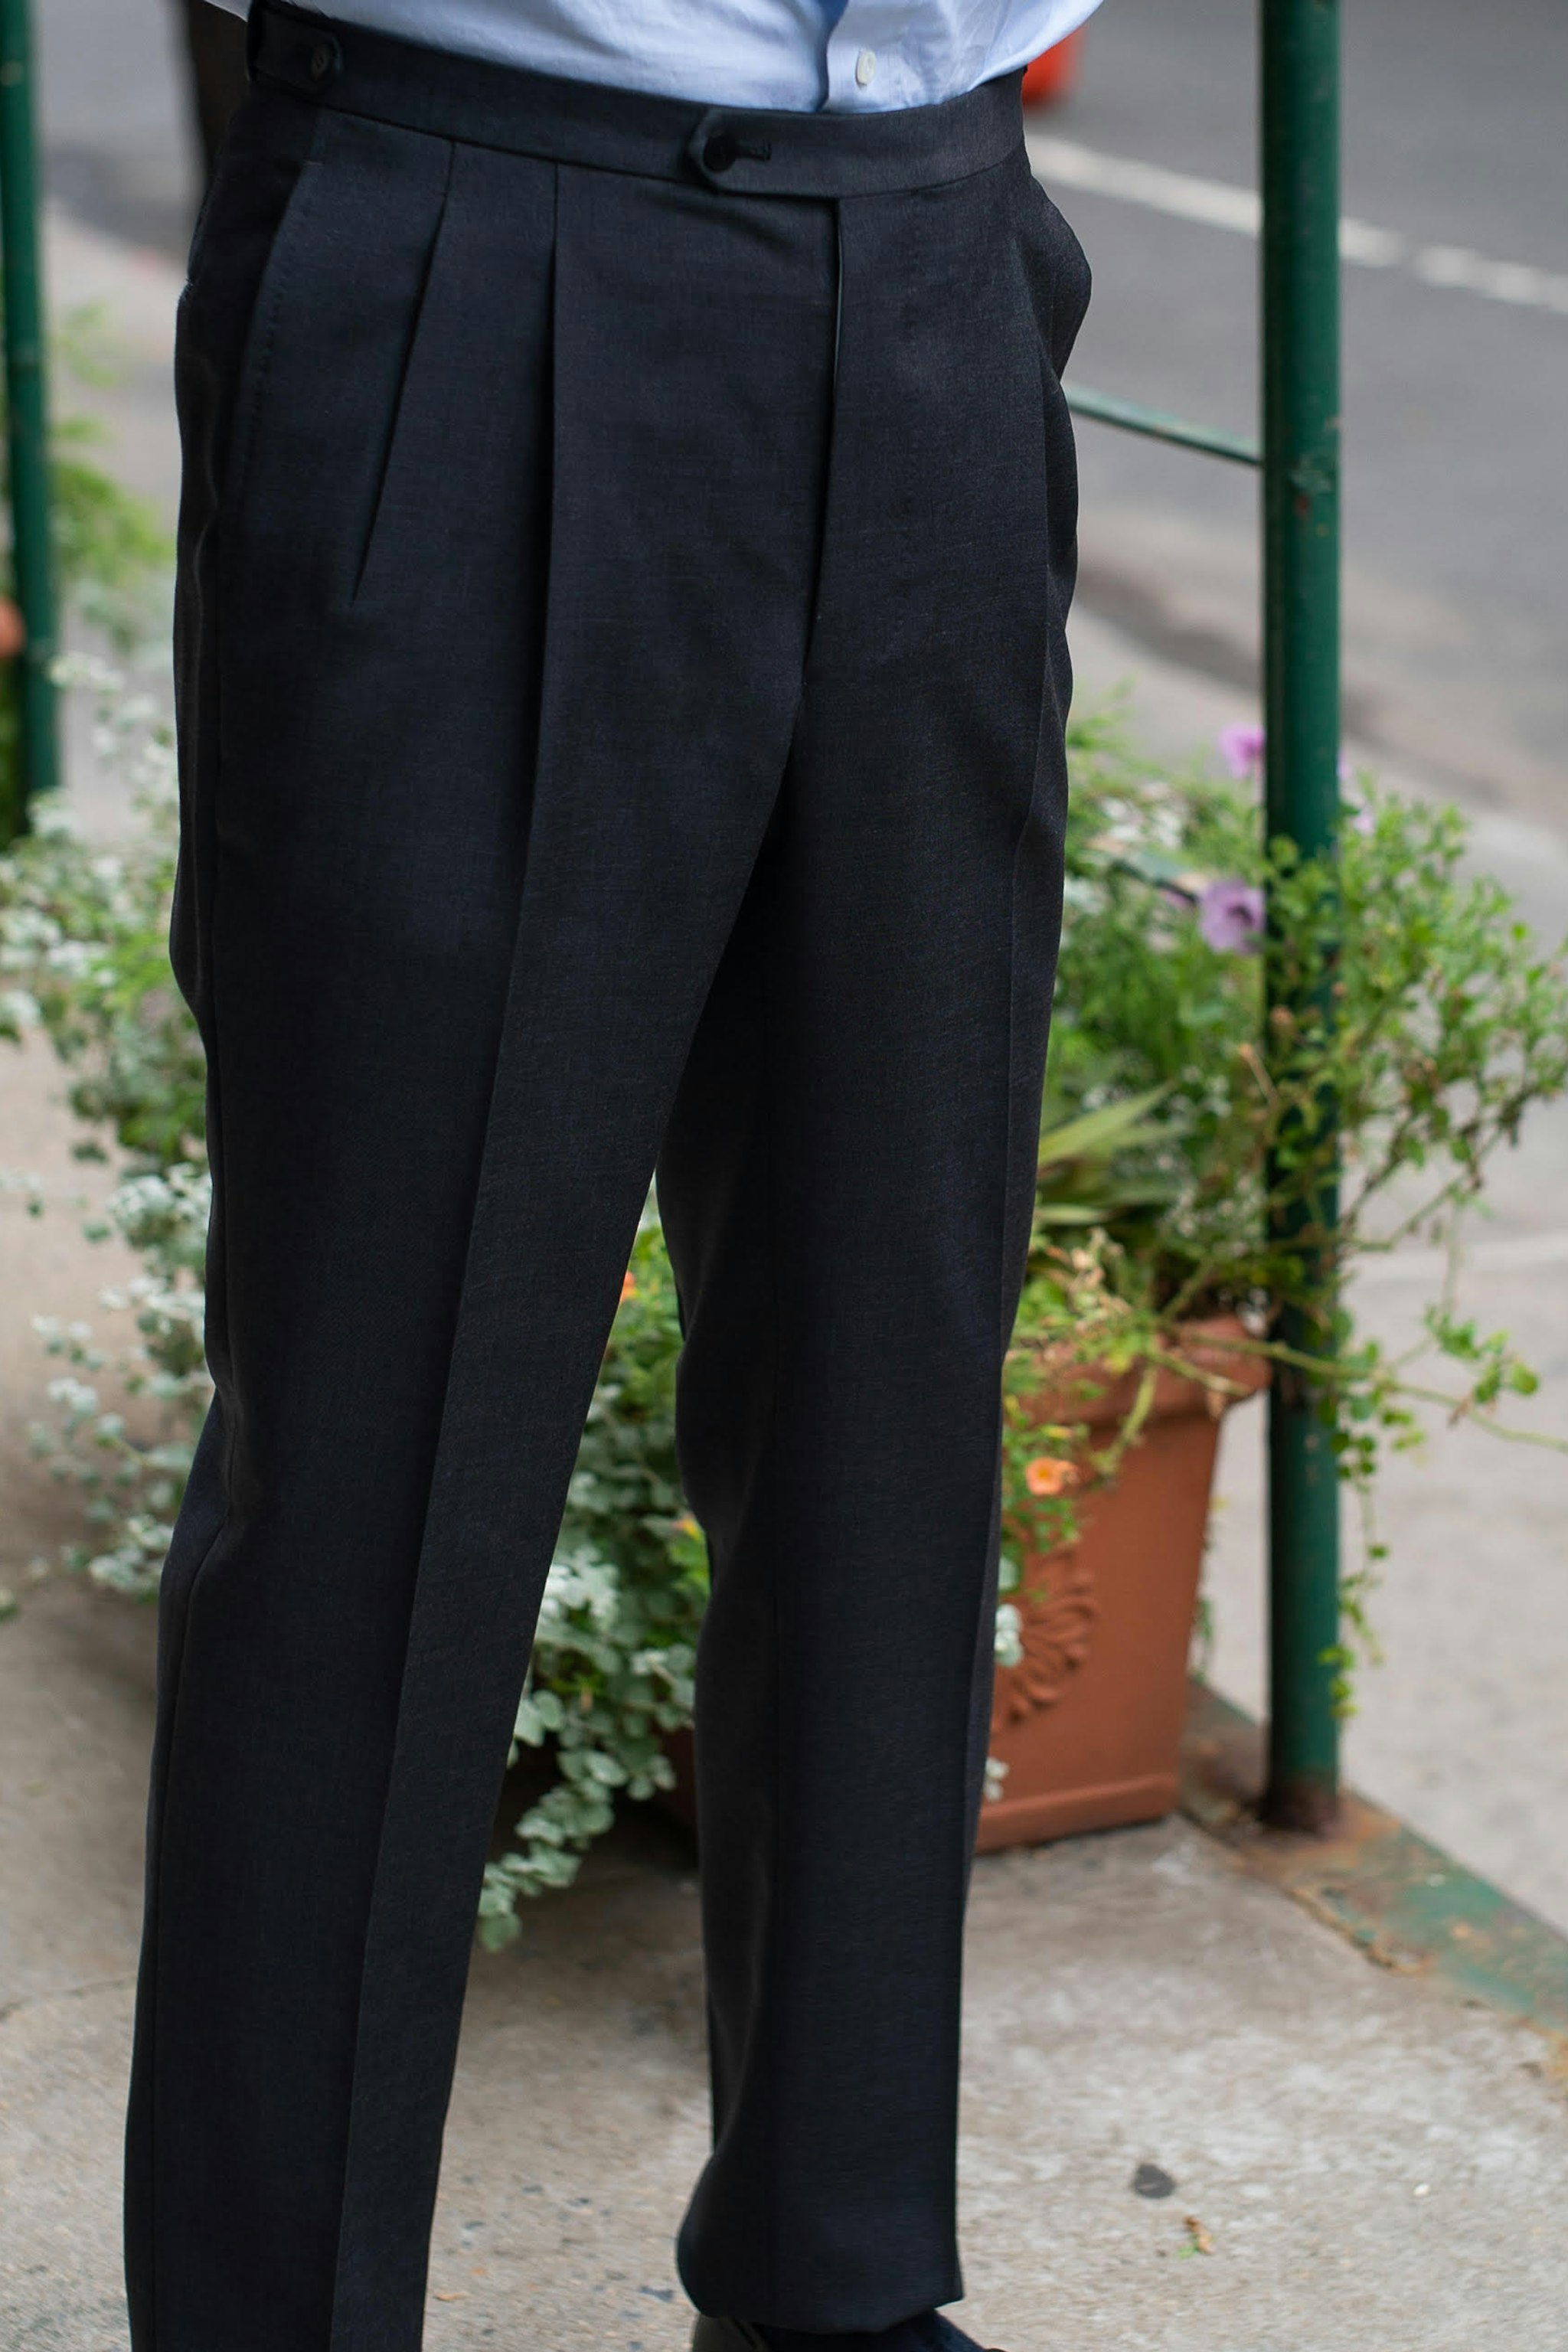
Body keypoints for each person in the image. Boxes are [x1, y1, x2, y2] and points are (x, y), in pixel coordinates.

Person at [127, 3, 1096, 2347]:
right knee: (377, 1432)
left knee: (890, 1367)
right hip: (482, 232)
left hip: (944, 257)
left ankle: (835, 2280)